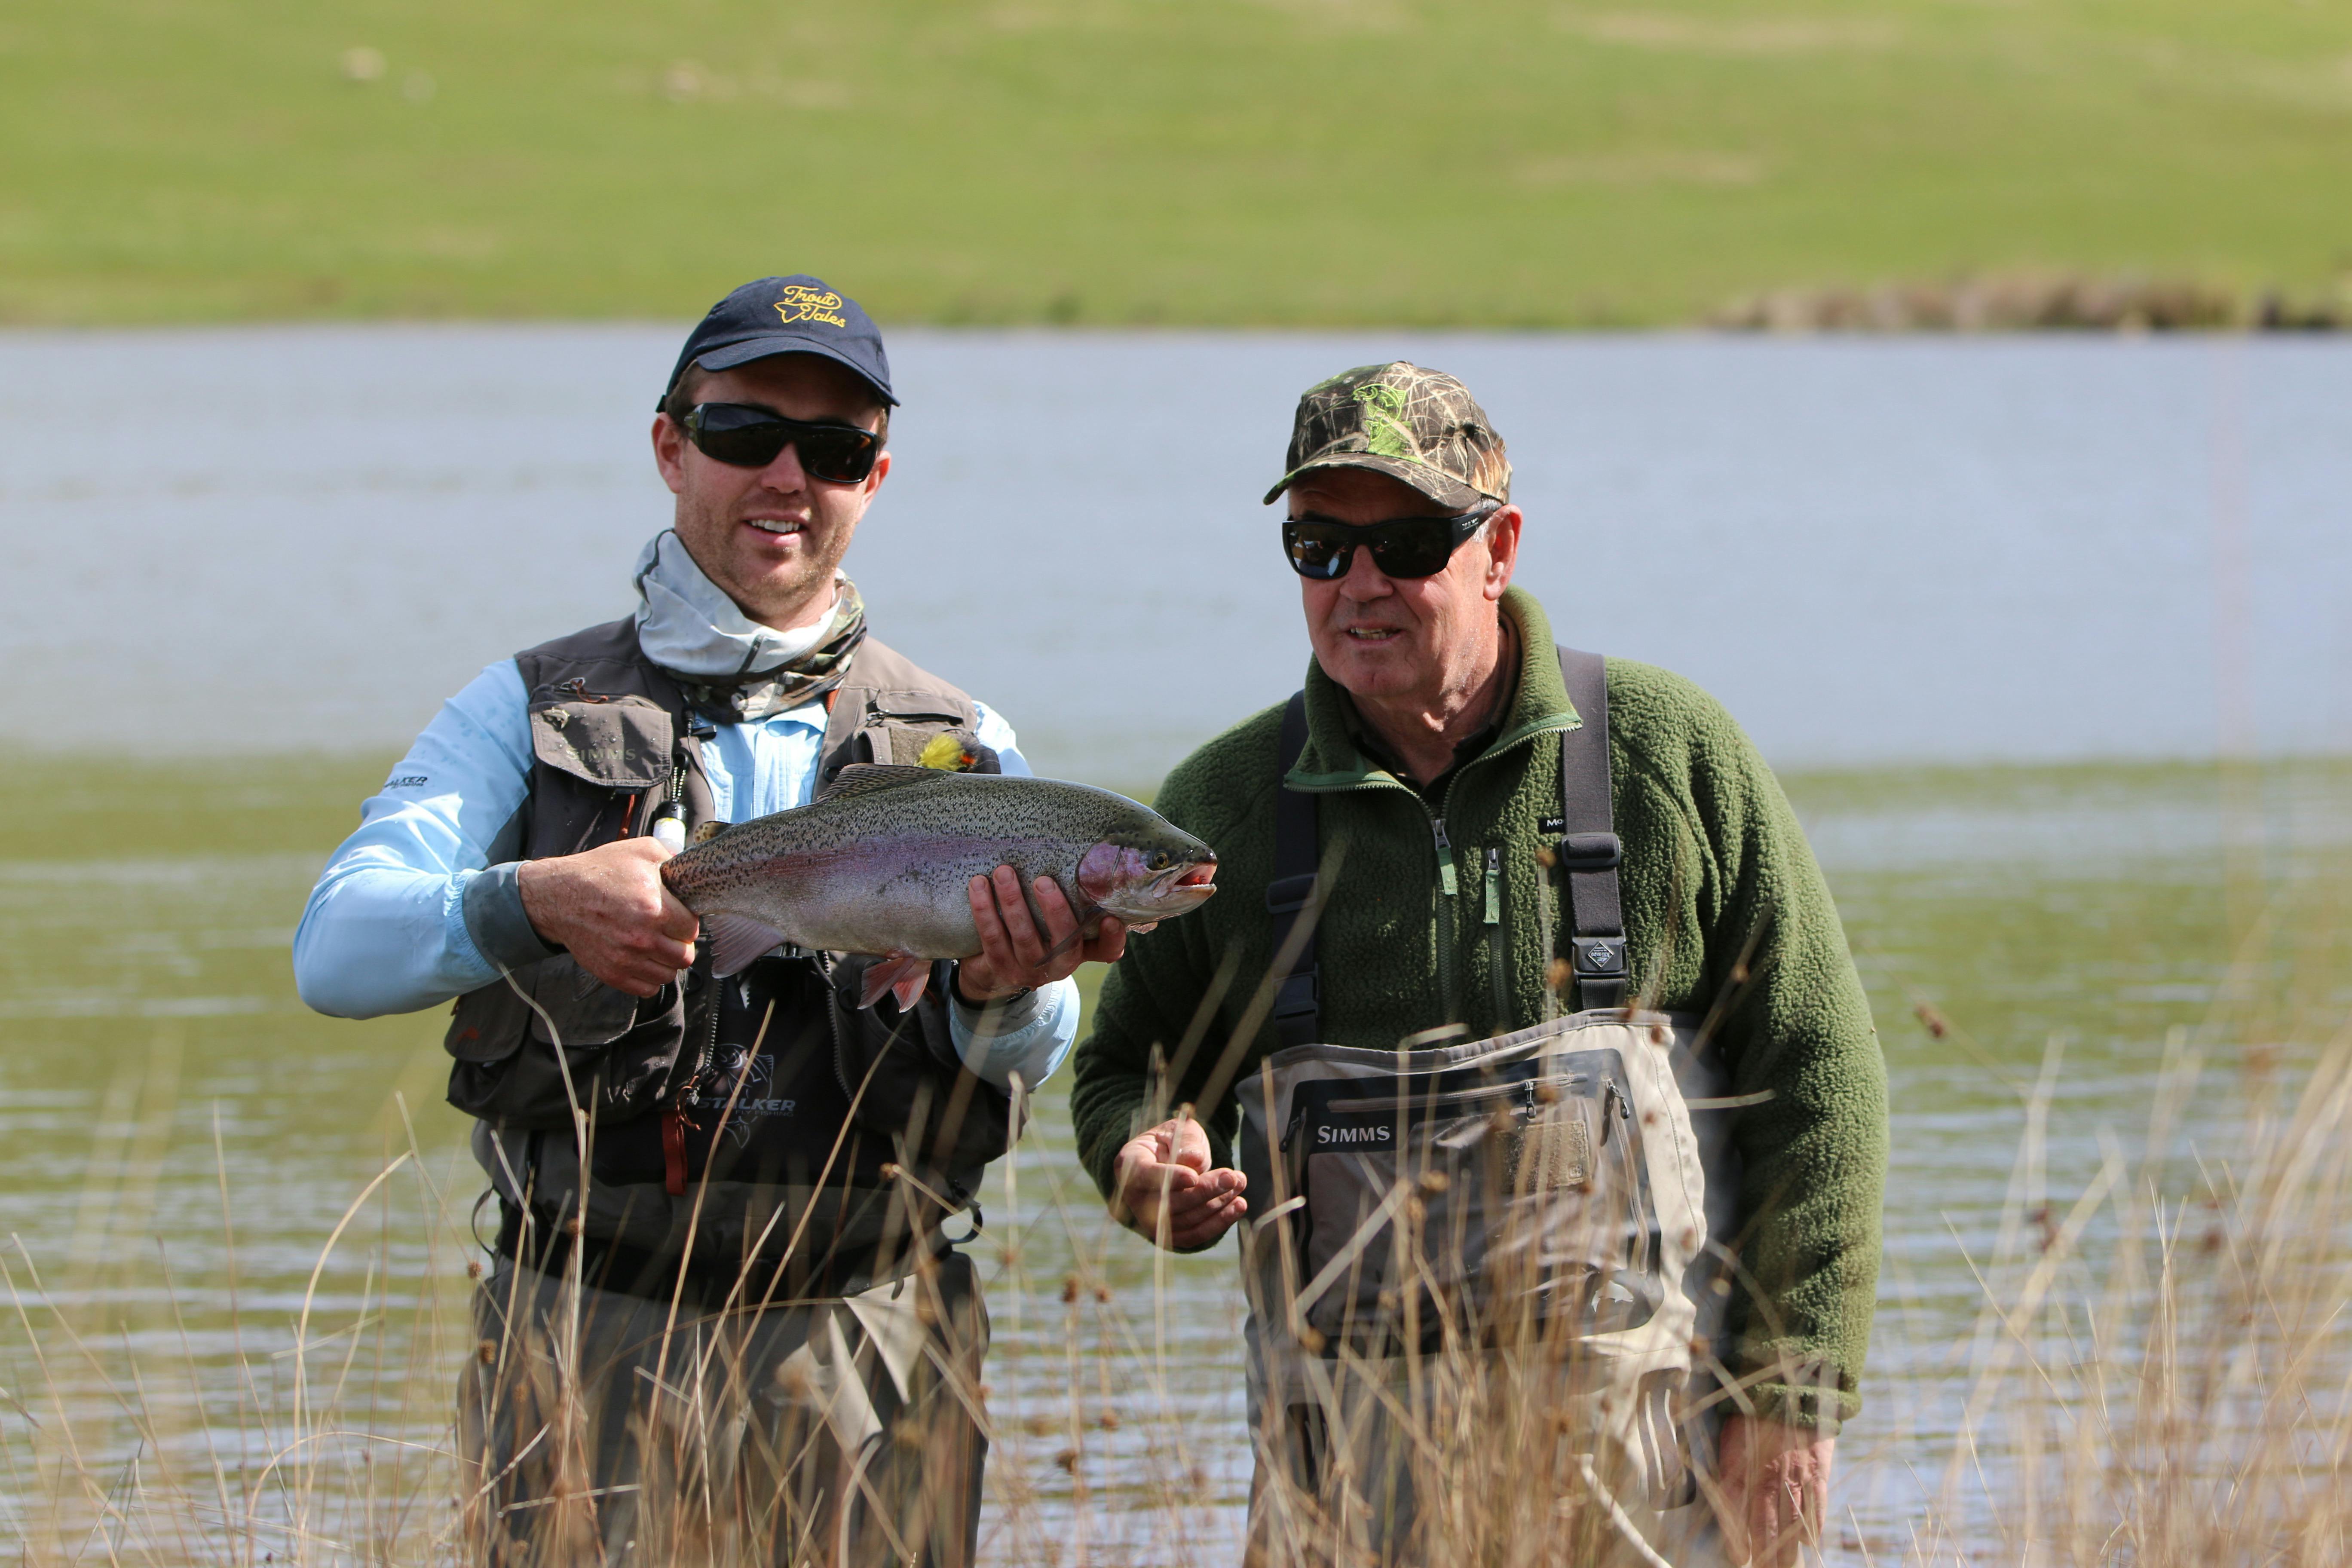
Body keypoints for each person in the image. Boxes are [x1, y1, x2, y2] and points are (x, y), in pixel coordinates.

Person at [294, 276, 1124, 1566]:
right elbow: (336, 950)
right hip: (580, 1328)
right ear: (671, 446)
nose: (788, 476)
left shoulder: (967, 748)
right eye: (746, 435)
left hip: (871, 1341)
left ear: (876, 479)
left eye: (835, 450)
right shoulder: (521, 711)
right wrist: (533, 902)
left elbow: (1030, 1056)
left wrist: (1003, 992)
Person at [1069, 363, 1888, 1566]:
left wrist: (1791, 1400)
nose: (1359, 584)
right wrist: (1147, 1159)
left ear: (1498, 547)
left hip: (1643, 1491)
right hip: (1339, 1496)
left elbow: (1824, 1080)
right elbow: (1122, 1075)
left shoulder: (1670, 758)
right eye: (1318, 548)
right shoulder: (1227, 811)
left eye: (1403, 541)